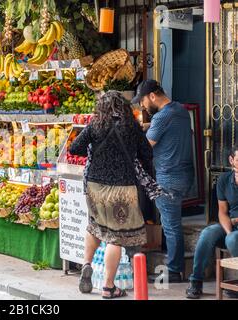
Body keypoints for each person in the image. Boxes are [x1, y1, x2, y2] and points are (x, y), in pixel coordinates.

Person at [70, 91, 152, 299]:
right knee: (115, 236)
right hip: (122, 188)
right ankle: (108, 287)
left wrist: (94, 149)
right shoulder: (131, 126)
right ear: (123, 106)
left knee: (95, 225)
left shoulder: (95, 124)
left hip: (95, 185)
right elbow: (147, 154)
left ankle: (86, 264)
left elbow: (74, 148)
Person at [132, 80, 194, 283]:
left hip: (168, 177)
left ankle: (174, 271)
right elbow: (167, 127)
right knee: (174, 222)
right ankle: (173, 265)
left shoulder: (161, 117)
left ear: (152, 96)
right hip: (185, 176)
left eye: (142, 101)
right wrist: (148, 125)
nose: (142, 106)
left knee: (171, 226)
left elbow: (146, 147)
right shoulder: (181, 110)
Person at [186, 146, 238, 299]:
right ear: (231, 161)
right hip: (231, 224)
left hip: (235, 225)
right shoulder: (224, 180)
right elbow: (222, 211)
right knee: (208, 233)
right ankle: (196, 282)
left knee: (233, 239)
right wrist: (229, 229)